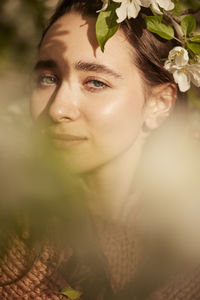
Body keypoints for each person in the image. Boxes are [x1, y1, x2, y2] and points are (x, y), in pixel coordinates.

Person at [0, 0, 200, 299]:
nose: (58, 109)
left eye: (95, 82)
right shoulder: (14, 235)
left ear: (159, 104)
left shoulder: (186, 238)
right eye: (48, 78)